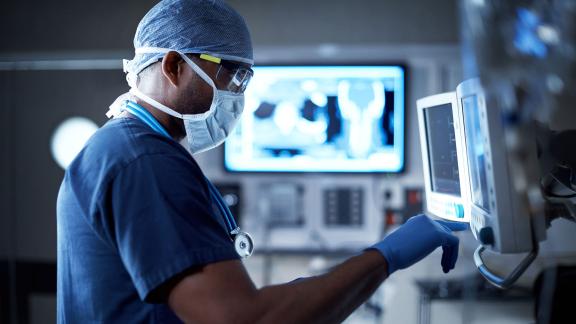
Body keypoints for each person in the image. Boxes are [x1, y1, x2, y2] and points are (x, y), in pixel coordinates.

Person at [56, 0, 468, 323]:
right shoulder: (145, 161)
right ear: (174, 65)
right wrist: (388, 256)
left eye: (246, 80)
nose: (239, 96)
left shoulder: (120, 149)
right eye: (232, 76)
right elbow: (246, 319)